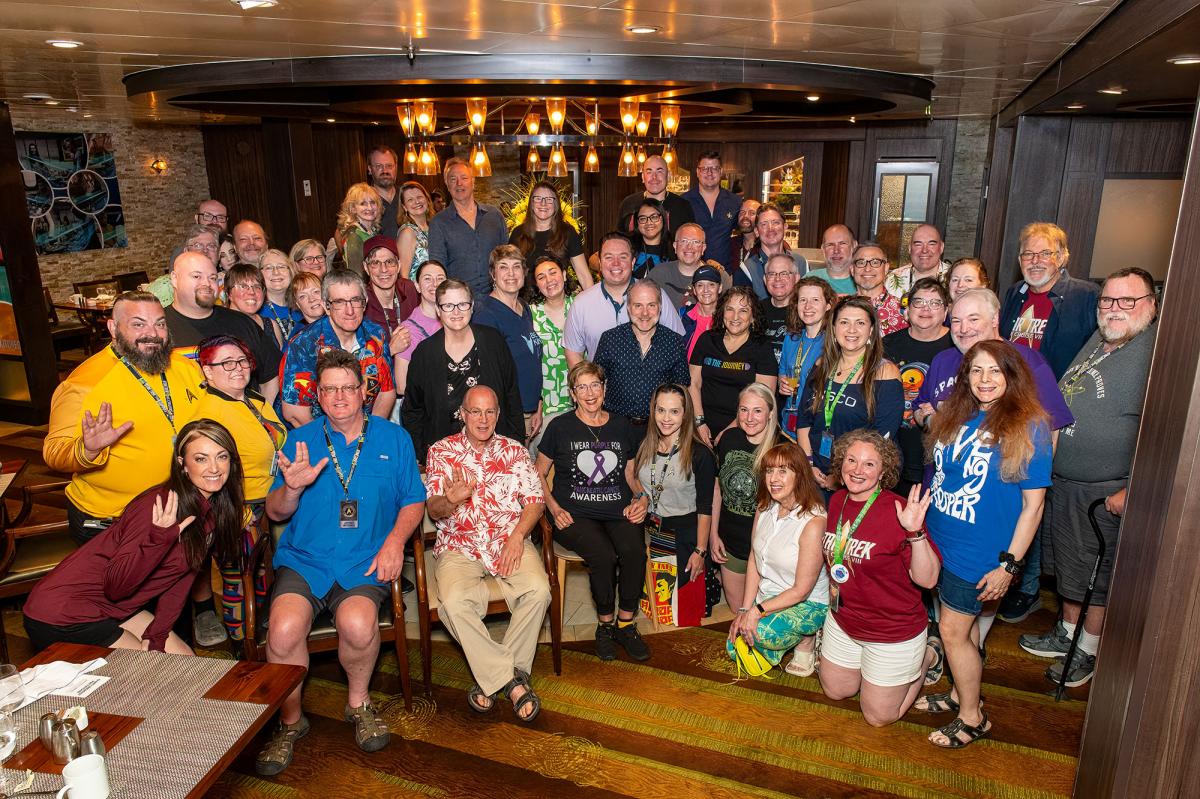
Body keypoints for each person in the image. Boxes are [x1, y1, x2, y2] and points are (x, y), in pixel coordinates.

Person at [256, 350, 426, 775]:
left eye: (348, 387)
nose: (339, 397)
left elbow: (413, 500)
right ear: (317, 395)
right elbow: (274, 511)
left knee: (358, 624)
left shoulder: (394, 439)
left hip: (364, 559)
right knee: (283, 629)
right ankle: (290, 721)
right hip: (306, 560)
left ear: (364, 391)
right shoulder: (299, 441)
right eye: (329, 389)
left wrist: (395, 543)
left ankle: (358, 703)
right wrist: (292, 489)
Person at [1019, 267, 1157, 687]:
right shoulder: (1102, 338)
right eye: (1108, 300)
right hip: (1067, 482)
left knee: (1097, 575)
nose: (1115, 309)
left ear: (1151, 305)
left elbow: (1163, 432)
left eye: (1128, 300)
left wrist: (1134, 487)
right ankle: (1067, 632)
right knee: (1071, 568)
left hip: (1105, 490)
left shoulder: (1156, 354)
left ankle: (1089, 649)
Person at [915, 339, 1052, 748]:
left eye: (995, 370)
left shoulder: (1029, 425)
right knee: (965, 630)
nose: (985, 379)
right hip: (940, 540)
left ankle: (973, 718)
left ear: (1012, 376)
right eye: (976, 370)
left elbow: (1033, 507)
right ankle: (961, 694)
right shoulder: (959, 414)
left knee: (953, 632)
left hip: (978, 551)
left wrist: (1009, 565)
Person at [915, 288, 1074, 622]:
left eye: (973, 319)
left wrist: (1024, 491)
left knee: (963, 619)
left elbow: (1048, 433)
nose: (963, 328)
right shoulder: (949, 372)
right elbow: (926, 414)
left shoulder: (1027, 367)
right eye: (956, 320)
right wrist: (931, 418)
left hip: (989, 522)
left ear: (995, 320)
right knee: (952, 615)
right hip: (943, 514)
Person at [24, 419, 243, 655]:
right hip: (63, 614)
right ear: (182, 464)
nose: (214, 468)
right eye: (201, 459)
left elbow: (181, 579)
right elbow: (116, 588)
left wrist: (157, 635)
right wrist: (158, 542)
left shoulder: (211, 510)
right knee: (151, 672)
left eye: (222, 456)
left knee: (184, 659)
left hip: (113, 608)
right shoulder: (158, 506)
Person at [425, 386, 550, 722]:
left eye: (490, 411)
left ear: (498, 414)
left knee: (539, 590)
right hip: (460, 544)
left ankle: (492, 678)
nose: (483, 419)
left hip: (508, 540)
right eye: (475, 412)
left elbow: (535, 502)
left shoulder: (515, 451)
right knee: (453, 603)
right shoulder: (441, 451)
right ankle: (511, 680)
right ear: (462, 414)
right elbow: (434, 510)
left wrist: (518, 536)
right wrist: (450, 500)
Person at [44, 291, 204, 545]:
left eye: (160, 324)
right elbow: (54, 452)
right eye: (138, 324)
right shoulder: (84, 383)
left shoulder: (186, 368)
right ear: (113, 328)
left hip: (178, 508)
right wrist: (88, 449)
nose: (152, 334)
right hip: (112, 521)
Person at [818, 430, 942, 725]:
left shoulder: (899, 511)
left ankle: (928, 655)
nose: (857, 470)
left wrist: (915, 532)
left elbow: (928, 580)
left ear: (883, 471)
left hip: (891, 629)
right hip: (844, 619)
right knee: (836, 691)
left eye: (869, 464)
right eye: (851, 460)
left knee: (878, 717)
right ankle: (871, 670)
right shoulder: (837, 501)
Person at [536, 362, 650, 661]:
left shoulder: (622, 425)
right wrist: (554, 508)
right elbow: (538, 474)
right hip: (573, 513)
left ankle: (625, 624)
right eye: (582, 387)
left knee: (634, 551)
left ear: (604, 388)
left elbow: (630, 473)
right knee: (603, 555)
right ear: (573, 394)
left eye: (595, 385)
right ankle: (605, 625)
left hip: (617, 508)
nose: (589, 393)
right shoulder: (559, 427)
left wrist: (642, 498)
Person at [194, 336, 286, 642]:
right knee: (241, 581)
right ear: (207, 371)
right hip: (237, 509)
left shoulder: (255, 401)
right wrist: (237, 512)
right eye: (227, 363)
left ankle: (267, 639)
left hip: (270, 501)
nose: (238, 368)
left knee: (265, 579)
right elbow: (206, 475)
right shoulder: (209, 415)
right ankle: (242, 647)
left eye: (242, 361)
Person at [725, 442, 828, 676]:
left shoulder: (814, 522)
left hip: (808, 602)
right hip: (769, 595)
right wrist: (744, 608)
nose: (773, 478)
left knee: (761, 634)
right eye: (769, 471)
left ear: (800, 475)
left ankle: (807, 640)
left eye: (783, 471)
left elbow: (801, 591)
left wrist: (756, 611)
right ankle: (776, 645)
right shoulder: (764, 507)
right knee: (734, 644)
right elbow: (754, 558)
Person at [402, 279, 524, 463]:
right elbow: (413, 410)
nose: (456, 312)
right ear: (438, 310)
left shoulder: (493, 341)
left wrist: (515, 446)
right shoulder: (424, 353)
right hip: (445, 456)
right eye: (448, 306)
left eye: (462, 304)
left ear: (472, 306)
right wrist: (423, 455)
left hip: (496, 454)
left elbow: (512, 395)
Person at [796, 297, 904, 492]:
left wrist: (842, 477)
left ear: (871, 330)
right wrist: (808, 463)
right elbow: (804, 421)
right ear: (834, 328)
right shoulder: (821, 365)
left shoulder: (885, 372)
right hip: (815, 473)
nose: (851, 330)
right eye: (844, 322)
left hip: (859, 479)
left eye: (860, 323)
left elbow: (882, 438)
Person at [628, 384, 716, 593]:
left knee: (678, 606)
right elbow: (635, 477)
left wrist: (700, 551)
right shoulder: (644, 444)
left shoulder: (700, 454)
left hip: (683, 537)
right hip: (650, 532)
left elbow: (705, 508)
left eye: (674, 411)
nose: (666, 418)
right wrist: (639, 497)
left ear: (685, 414)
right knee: (650, 602)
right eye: (661, 410)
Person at [280, 271, 396, 426]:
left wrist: (370, 434)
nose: (350, 311)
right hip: (318, 432)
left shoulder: (376, 335)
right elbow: (294, 413)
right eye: (339, 302)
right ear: (326, 306)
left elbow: (386, 392)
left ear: (365, 303)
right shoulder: (304, 345)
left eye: (355, 300)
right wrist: (329, 440)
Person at [165, 251, 282, 404]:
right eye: (197, 276)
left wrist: (261, 412)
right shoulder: (156, 328)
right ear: (174, 279)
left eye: (212, 278)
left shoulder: (242, 323)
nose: (207, 283)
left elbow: (271, 375)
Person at [563, 232, 684, 364]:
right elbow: (573, 353)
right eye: (609, 257)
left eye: (623, 257)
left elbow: (677, 343)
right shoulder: (582, 303)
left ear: (633, 262)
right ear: (600, 263)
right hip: (599, 377)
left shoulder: (656, 295)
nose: (616, 263)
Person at [1000, 222, 1100, 379]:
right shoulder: (1015, 293)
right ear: (1020, 261)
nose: (1035, 261)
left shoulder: (1086, 296)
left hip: (1056, 391)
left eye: (1045, 254)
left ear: (1060, 258)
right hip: (1012, 388)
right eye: (1028, 254)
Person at [711, 383, 779, 611]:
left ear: (771, 413)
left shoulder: (781, 449)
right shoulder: (728, 439)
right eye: (744, 410)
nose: (749, 418)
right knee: (738, 610)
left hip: (767, 549)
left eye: (757, 411)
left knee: (762, 614)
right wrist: (713, 535)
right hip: (730, 543)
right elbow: (717, 489)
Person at [883, 278, 955, 495]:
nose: (926, 309)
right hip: (894, 454)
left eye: (935, 303)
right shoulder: (888, 344)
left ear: (946, 311)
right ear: (907, 310)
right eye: (919, 302)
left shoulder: (957, 345)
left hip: (939, 458)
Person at [471, 245, 544, 441]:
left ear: (524, 272)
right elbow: (489, 375)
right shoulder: (486, 315)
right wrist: (511, 419)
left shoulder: (524, 308)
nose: (511, 273)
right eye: (503, 267)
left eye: (516, 266)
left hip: (529, 410)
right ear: (492, 274)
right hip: (507, 416)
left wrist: (537, 403)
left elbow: (530, 360)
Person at [689, 285, 777, 444]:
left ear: (753, 317)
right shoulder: (707, 340)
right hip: (701, 425)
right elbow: (693, 383)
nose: (735, 316)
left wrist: (729, 432)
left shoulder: (762, 348)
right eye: (730, 309)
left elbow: (763, 400)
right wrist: (699, 422)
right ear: (722, 312)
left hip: (744, 428)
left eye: (743, 310)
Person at [593, 280, 690, 424]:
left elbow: (682, 389)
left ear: (660, 307)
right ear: (628, 308)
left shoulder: (674, 342)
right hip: (614, 425)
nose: (645, 313)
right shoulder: (610, 339)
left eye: (651, 305)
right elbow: (595, 382)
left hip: (658, 427)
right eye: (638, 305)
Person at [428, 157, 508, 295]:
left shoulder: (494, 216)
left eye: (464, 178)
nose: (459, 183)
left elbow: (507, 258)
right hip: (460, 300)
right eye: (453, 179)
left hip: (497, 297)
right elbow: (437, 269)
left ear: (473, 181)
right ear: (447, 184)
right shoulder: (439, 223)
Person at [778, 277, 836, 439]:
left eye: (815, 300)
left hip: (816, 427)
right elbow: (783, 371)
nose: (807, 306)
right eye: (803, 300)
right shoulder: (791, 338)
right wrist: (782, 384)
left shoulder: (834, 343)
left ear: (828, 305)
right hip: (788, 425)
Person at [509, 180, 593, 290]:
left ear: (556, 205)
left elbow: (584, 275)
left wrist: (592, 300)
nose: (543, 203)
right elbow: (510, 273)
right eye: (538, 198)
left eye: (549, 199)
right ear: (531, 204)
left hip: (558, 298)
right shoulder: (517, 233)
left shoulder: (568, 232)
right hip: (525, 299)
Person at [528, 256, 575, 451]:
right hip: (545, 406)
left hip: (582, 403)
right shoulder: (529, 314)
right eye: (541, 277)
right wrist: (534, 405)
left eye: (553, 272)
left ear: (564, 275)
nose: (549, 280)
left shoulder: (581, 306)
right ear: (537, 285)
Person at [393, 259, 446, 398]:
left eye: (440, 278)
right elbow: (401, 386)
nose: (435, 284)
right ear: (417, 286)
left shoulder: (455, 319)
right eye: (427, 278)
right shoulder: (408, 330)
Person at [361, 235, 420, 360]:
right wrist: (390, 350)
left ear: (398, 265)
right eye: (375, 263)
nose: (384, 269)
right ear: (366, 267)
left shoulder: (409, 290)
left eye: (389, 262)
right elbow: (357, 362)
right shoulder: (360, 304)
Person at [682, 150, 740, 271]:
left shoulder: (735, 202)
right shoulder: (683, 201)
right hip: (692, 271)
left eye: (714, 168)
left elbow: (743, 235)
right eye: (704, 169)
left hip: (725, 272)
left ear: (721, 171)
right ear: (697, 172)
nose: (709, 173)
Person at [736, 204, 807, 301]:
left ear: (785, 227)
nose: (770, 229)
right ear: (756, 231)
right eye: (764, 224)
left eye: (776, 223)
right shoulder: (747, 269)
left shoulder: (801, 263)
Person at [649, 222, 729, 308]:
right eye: (684, 241)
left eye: (695, 242)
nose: (689, 247)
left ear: (703, 248)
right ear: (675, 246)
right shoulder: (658, 274)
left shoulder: (719, 276)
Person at [616, 154, 694, 242]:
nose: (654, 177)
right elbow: (619, 240)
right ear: (643, 177)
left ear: (669, 176)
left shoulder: (683, 206)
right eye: (649, 172)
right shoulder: (629, 203)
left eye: (659, 171)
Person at [851, 243, 907, 337]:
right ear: (852, 270)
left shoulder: (903, 312)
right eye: (861, 262)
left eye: (875, 262)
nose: (867, 268)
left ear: (886, 268)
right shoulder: (841, 309)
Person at [225, 264, 285, 349]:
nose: (252, 292)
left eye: (257, 287)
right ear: (229, 293)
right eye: (243, 286)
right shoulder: (220, 326)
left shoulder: (271, 325)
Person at [886, 224, 951, 300]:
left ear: (941, 247)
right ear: (910, 248)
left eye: (931, 244)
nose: (924, 250)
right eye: (918, 244)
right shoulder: (891, 280)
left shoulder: (955, 278)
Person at [330, 182, 381, 275]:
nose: (369, 207)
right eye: (363, 203)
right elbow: (356, 273)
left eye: (372, 202)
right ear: (353, 208)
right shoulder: (354, 235)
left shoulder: (371, 230)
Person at [760, 252, 801, 364]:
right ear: (765, 279)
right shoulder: (756, 310)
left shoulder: (806, 311)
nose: (777, 279)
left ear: (797, 278)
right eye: (772, 274)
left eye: (784, 273)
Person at [679, 266, 722, 360]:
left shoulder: (727, 320)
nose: (706, 290)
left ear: (720, 288)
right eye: (700, 285)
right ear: (694, 290)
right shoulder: (683, 316)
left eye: (711, 284)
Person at [259, 249, 301, 342]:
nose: (276, 272)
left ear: (290, 271)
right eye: (268, 268)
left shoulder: (302, 306)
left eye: (281, 266)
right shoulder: (256, 313)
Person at [396, 180, 434, 280]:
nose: (417, 202)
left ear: (427, 199)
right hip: (416, 288)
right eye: (410, 200)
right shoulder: (407, 232)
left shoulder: (434, 227)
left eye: (419, 197)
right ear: (404, 207)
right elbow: (403, 275)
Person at [807, 224, 858, 295]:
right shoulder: (809, 280)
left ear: (854, 246)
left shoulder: (864, 280)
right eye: (830, 245)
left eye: (842, 244)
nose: (836, 251)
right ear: (823, 249)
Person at [630, 198, 675, 278]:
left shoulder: (675, 249)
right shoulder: (627, 247)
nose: (649, 222)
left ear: (663, 218)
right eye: (643, 218)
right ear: (637, 223)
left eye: (654, 217)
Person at [366, 145, 401, 239]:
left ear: (396, 168)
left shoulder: (407, 196)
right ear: (370, 169)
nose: (385, 170)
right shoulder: (362, 200)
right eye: (378, 166)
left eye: (389, 166)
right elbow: (341, 233)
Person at [286, 271, 325, 338]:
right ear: (297, 304)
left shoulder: (339, 322)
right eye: (303, 296)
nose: (311, 299)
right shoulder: (298, 338)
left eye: (316, 292)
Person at [730, 198, 760, 272]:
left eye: (752, 213)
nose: (745, 216)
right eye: (742, 213)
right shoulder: (731, 244)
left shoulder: (766, 246)